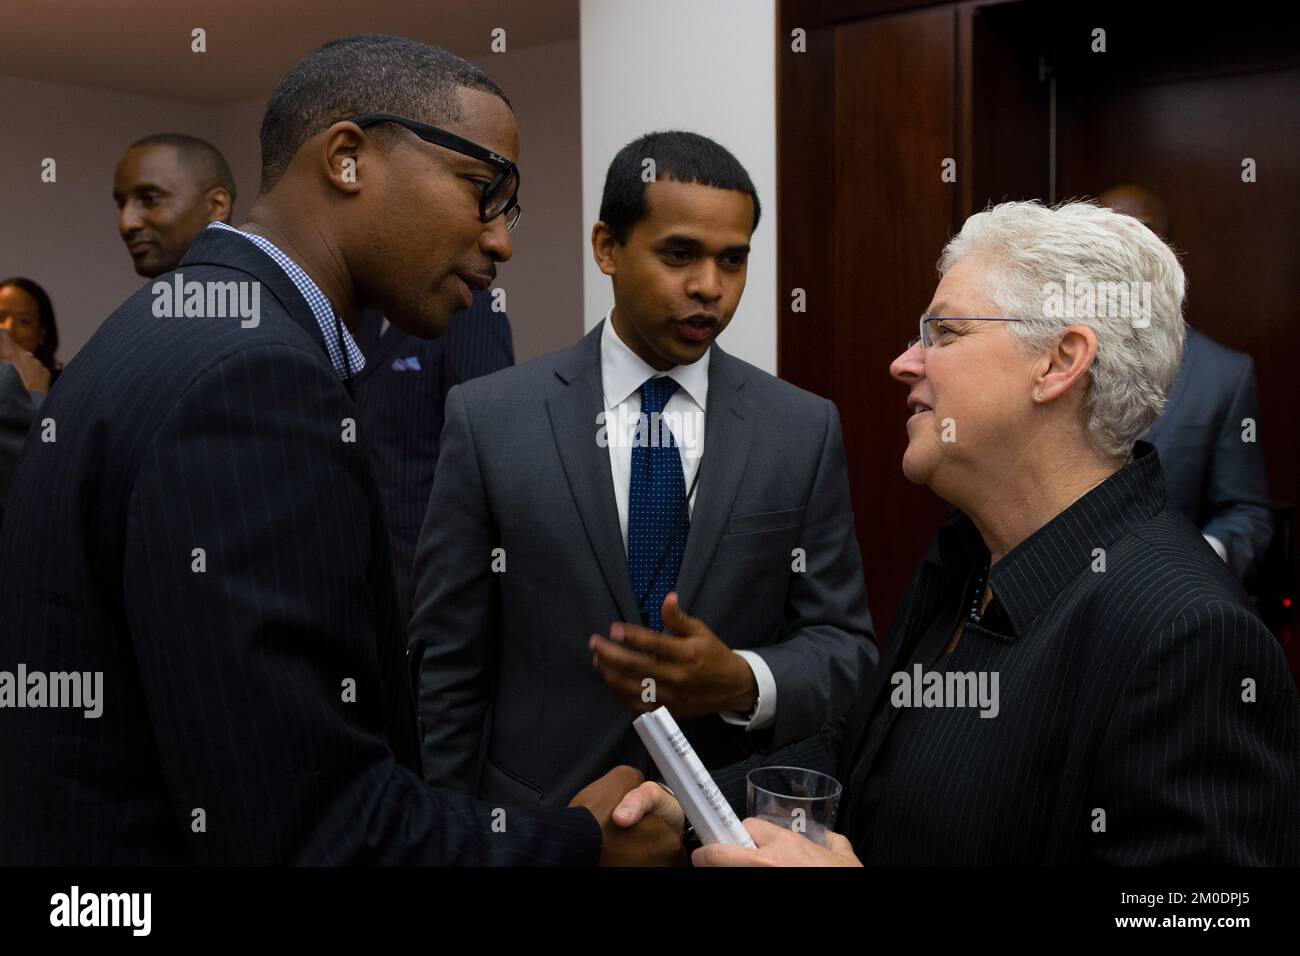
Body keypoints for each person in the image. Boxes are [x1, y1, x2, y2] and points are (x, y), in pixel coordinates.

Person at [0, 33, 679, 866]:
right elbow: (316, 832)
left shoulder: (174, 325)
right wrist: (580, 847)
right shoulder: (253, 381)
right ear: (349, 158)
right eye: (483, 190)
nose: (501, 242)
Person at [616, 200, 1300, 865]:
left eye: (944, 334)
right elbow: (863, 751)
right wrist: (692, 807)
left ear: (1059, 362)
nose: (905, 363)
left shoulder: (1192, 639)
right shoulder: (965, 558)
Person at [411, 131, 877, 808]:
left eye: (733, 260)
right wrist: (455, 839)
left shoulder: (799, 429)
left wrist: (742, 681)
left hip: (721, 825)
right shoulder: (490, 422)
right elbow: (449, 667)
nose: (710, 287)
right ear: (607, 248)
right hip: (543, 827)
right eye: (679, 254)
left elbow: (845, 648)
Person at [1100, 184, 1273, 580]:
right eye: (1106, 235)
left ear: (1170, 258)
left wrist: (1191, 564)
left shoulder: (1224, 375)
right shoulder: (1040, 357)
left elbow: (1246, 513)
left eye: (1140, 235)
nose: (1121, 252)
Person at [351, 292, 514, 624]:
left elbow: (488, 461)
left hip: (432, 587)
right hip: (365, 577)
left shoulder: (469, 311)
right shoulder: (363, 313)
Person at [113, 133, 237, 278]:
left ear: (216, 206)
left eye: (149, 199)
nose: (126, 223)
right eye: (121, 205)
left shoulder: (252, 297)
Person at [0, 277, 61, 385]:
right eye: (0, 317)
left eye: (24, 321)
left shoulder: (63, 386)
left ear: (42, 333)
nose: (8, 329)